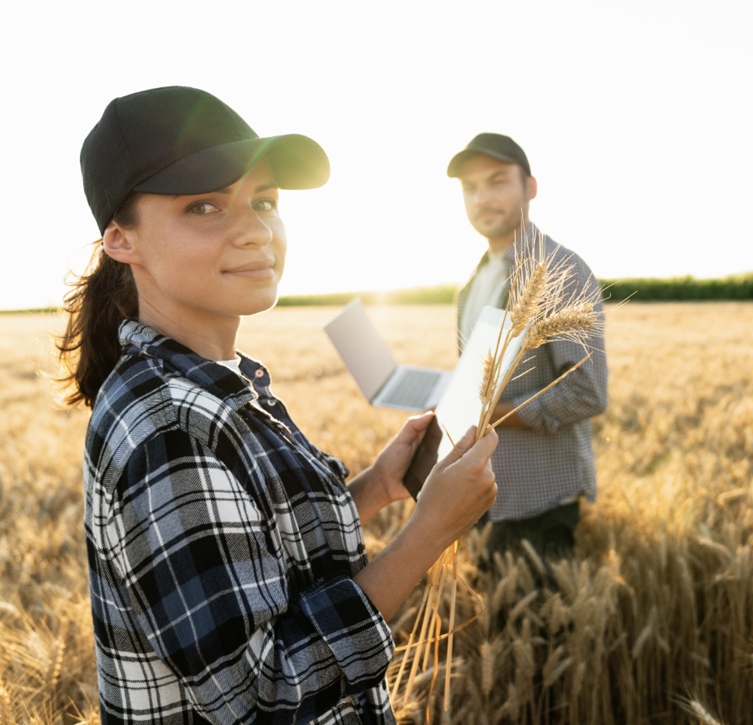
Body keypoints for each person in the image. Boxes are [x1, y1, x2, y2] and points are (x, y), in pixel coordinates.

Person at [58, 85, 498, 724]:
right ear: (121, 240)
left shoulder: (215, 382)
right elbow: (264, 695)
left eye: (263, 200)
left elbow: (260, 554)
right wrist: (430, 531)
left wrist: (375, 487)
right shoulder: (169, 423)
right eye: (204, 206)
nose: (256, 230)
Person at [446, 133, 608, 562]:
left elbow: (585, 391)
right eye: (470, 187)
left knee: (541, 629)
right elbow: (478, 381)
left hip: (537, 498)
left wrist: (491, 414)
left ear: (530, 187)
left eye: (497, 181)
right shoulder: (472, 283)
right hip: (482, 493)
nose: (482, 197)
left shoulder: (560, 271)